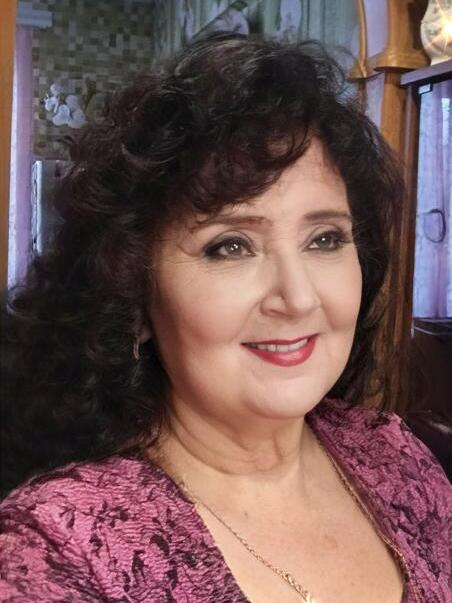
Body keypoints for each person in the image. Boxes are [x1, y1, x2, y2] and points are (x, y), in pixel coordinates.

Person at [0, 33, 450, 603]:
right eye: (230, 246)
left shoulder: (394, 457)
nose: (298, 298)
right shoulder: (57, 551)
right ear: (133, 293)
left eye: (325, 238)